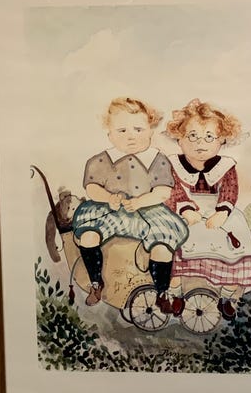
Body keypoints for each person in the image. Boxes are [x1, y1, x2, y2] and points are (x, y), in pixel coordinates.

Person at [72, 97, 188, 311]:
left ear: (150, 131)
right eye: (122, 131)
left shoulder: (158, 159)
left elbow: (163, 191)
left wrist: (141, 201)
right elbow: (92, 188)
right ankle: (96, 282)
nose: (131, 136)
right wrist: (108, 198)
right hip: (108, 211)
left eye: (138, 129)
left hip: (149, 212)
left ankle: (162, 291)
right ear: (110, 134)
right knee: (88, 237)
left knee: (163, 247)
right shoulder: (101, 160)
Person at [165, 99, 251, 320]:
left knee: (234, 239)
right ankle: (175, 293)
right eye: (192, 136)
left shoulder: (226, 166)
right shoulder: (172, 164)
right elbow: (172, 190)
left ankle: (227, 295)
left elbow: (230, 191)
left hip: (218, 210)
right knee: (173, 241)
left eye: (209, 137)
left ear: (222, 140)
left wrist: (222, 212)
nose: (201, 143)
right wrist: (185, 209)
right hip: (185, 211)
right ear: (180, 139)